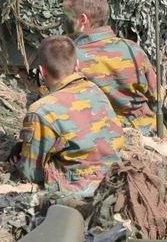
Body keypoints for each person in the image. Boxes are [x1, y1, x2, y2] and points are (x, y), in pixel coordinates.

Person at [12, 36, 124, 196]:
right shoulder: (95, 90)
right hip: (113, 181)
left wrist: (20, 155)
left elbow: (31, 173)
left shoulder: (41, 110)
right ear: (77, 65)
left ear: (43, 72)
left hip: (74, 191)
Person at [62, 0, 160, 136]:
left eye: (66, 16)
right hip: (147, 132)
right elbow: (157, 94)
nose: (63, 21)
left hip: (104, 138)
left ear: (83, 20)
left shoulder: (70, 58)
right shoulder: (132, 48)